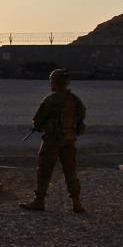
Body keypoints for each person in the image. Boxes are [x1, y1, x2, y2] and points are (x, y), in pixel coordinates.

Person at [20, 68, 87, 213]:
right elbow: (81, 117)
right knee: (70, 171)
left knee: (44, 170)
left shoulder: (51, 99)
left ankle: (39, 201)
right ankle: (77, 203)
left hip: (53, 140)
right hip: (69, 139)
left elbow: (38, 121)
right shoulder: (75, 99)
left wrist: (40, 126)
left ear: (54, 82)